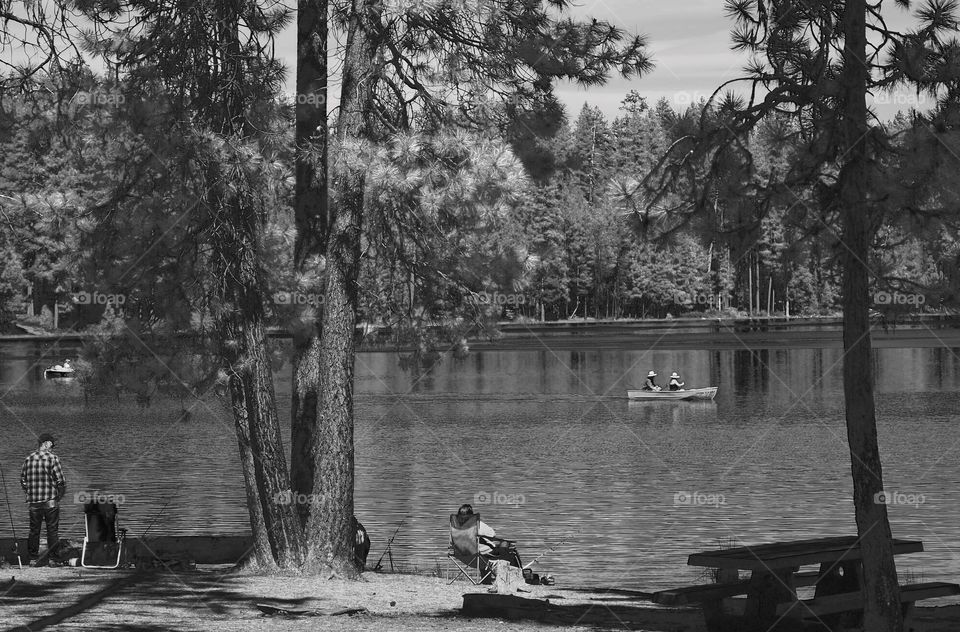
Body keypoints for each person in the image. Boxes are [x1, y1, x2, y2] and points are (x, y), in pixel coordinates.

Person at [452, 504, 552, 585]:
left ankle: (486, 581)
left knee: (491, 548)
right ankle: (517, 578)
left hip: (462, 557)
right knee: (511, 551)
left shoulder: (455, 527)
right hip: (480, 558)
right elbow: (492, 534)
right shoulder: (476, 525)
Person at [20, 433, 66, 565]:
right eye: (52, 444)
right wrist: (59, 496)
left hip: (34, 502)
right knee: (52, 530)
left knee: (34, 530)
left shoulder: (29, 458)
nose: (53, 447)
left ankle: (33, 559)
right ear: (46, 443)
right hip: (50, 501)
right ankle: (53, 559)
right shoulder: (53, 458)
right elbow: (61, 481)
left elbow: (22, 480)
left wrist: (30, 492)